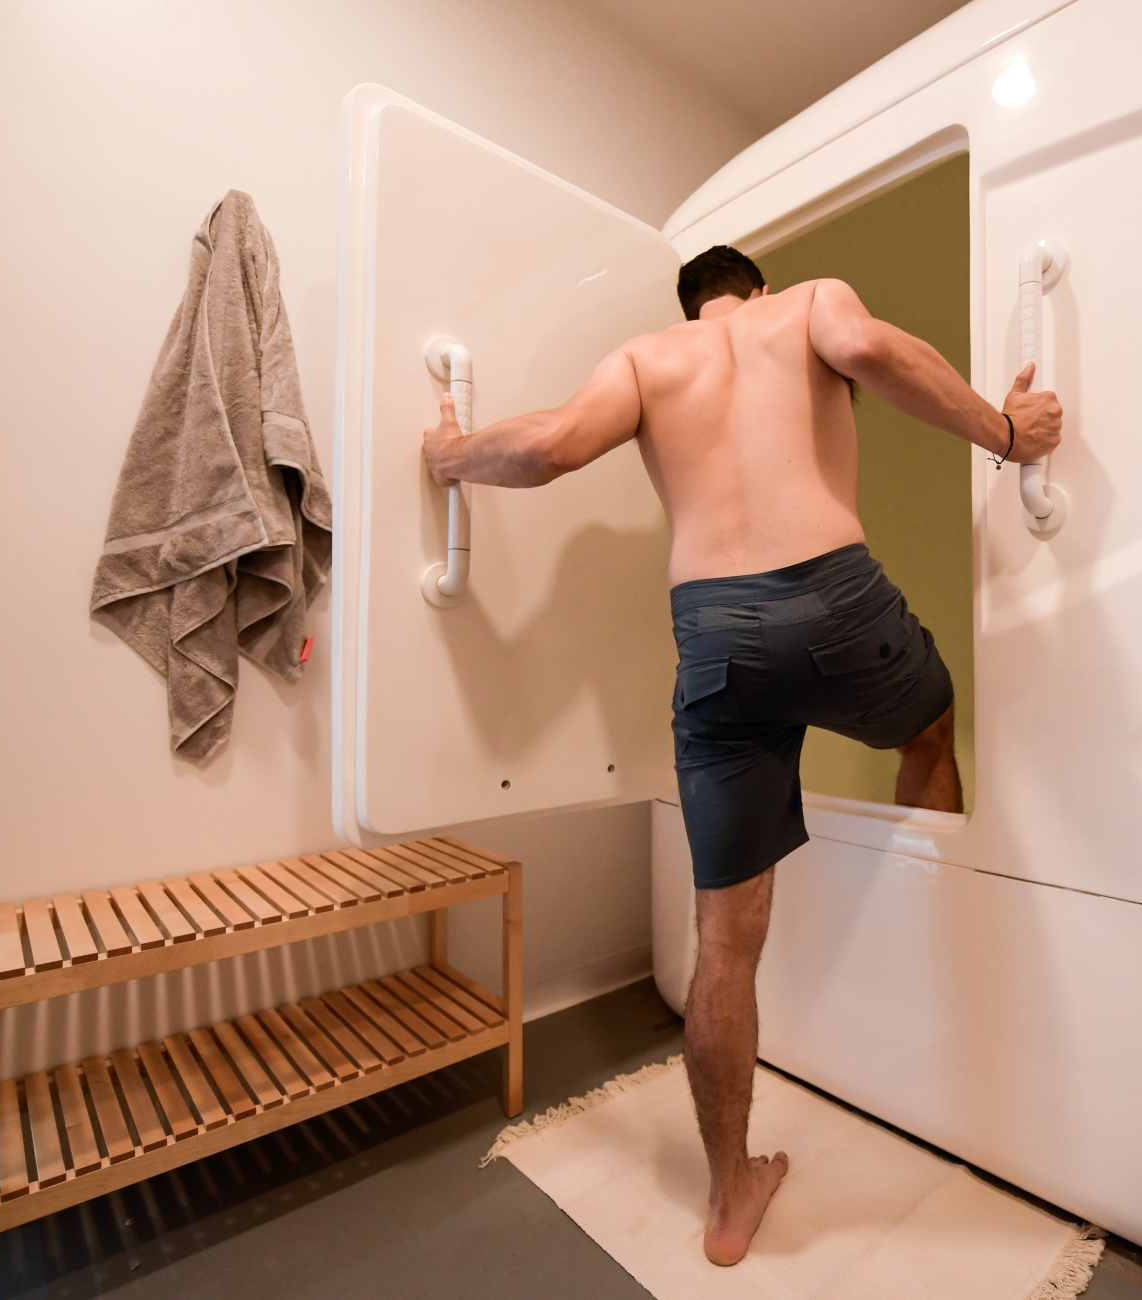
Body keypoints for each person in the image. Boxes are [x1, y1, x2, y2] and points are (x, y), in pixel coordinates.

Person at [421, 245, 1062, 1265]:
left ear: (692, 311)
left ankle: (729, 1201)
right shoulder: (810, 302)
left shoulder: (646, 360)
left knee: (724, 940)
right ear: (754, 292)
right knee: (931, 723)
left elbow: (544, 448)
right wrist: (1005, 432)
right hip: (840, 605)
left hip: (715, 632)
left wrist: (450, 454)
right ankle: (937, 956)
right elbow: (863, 346)